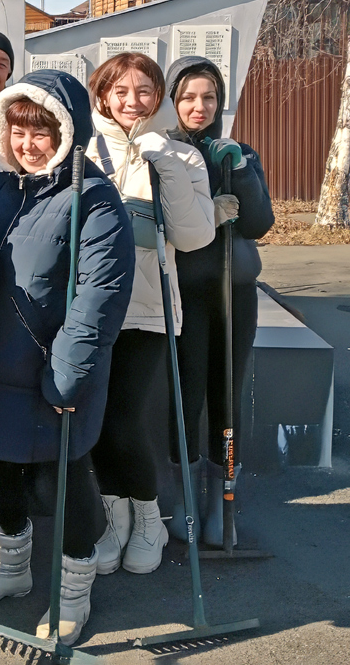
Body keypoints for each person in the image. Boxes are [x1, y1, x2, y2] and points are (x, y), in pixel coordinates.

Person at [0, 70, 134, 646]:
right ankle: (11, 570)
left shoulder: (95, 201)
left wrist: (67, 379)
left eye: (42, 130)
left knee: (61, 487)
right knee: (1, 476)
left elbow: (97, 303)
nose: (29, 143)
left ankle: (74, 592)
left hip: (52, 375)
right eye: (18, 128)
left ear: (67, 131)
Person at [86, 52, 216, 576]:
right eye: (120, 90)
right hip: (89, 308)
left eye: (144, 91)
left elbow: (195, 235)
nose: (131, 101)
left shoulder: (181, 157)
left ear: (158, 97)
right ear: (102, 95)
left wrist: (165, 162)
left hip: (147, 308)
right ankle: (114, 521)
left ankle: (149, 519)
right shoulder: (83, 152)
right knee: (94, 422)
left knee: (124, 420)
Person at [165, 56, 274, 546]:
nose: (199, 106)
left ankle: (223, 505)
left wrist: (243, 172)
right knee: (186, 397)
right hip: (185, 294)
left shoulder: (238, 152)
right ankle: (185, 504)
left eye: (209, 97)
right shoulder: (162, 153)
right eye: (188, 96)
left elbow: (258, 223)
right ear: (172, 101)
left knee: (226, 399)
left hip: (234, 293)